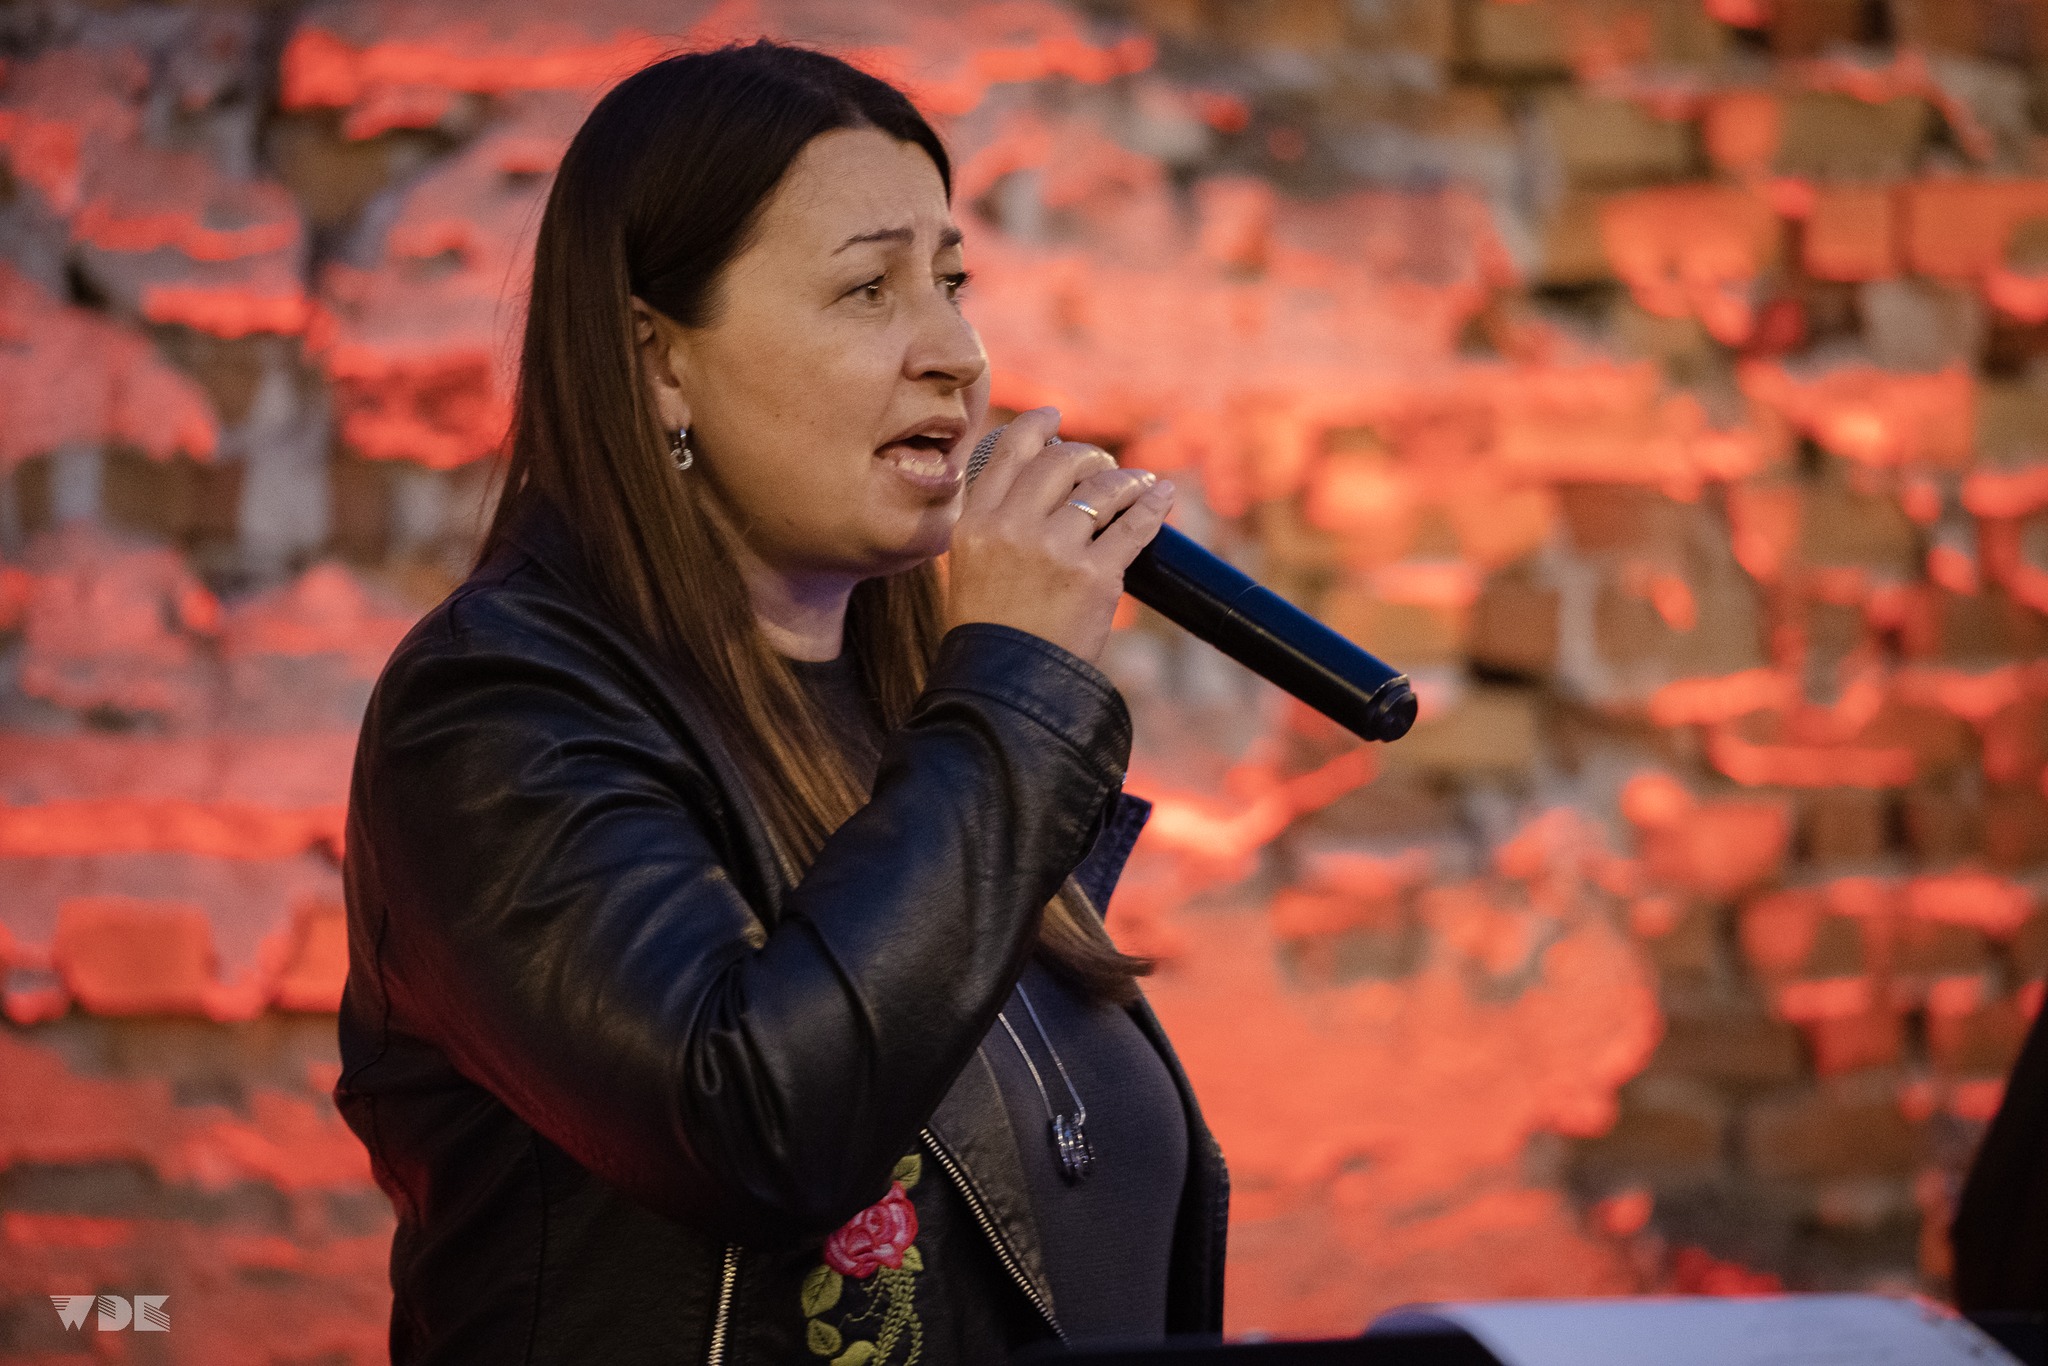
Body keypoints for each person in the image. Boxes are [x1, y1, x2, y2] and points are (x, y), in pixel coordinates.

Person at [334, 38, 1229, 1365]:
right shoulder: (494, 712)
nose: (957, 355)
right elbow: (753, 1125)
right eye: (869, 288)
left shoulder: (917, 726)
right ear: (657, 360)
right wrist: (1013, 688)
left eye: (953, 283)